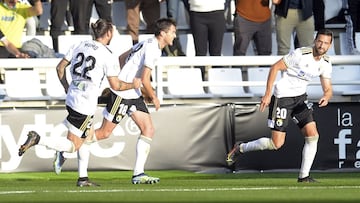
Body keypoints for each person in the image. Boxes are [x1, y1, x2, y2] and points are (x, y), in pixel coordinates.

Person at [18, 19, 141, 187]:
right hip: (85, 105)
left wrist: (67, 87)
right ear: (109, 33)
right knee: (73, 146)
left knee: (84, 133)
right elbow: (116, 85)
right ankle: (39, 139)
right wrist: (133, 84)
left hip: (72, 98)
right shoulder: (107, 54)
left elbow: (60, 68)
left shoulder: (80, 44)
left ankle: (83, 178)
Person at [54, 17, 177, 185]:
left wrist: (125, 76)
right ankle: (67, 149)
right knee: (103, 133)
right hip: (122, 95)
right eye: (172, 32)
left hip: (133, 93)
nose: (174, 36)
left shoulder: (147, 42)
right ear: (163, 33)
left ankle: (138, 174)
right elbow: (145, 79)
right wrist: (153, 96)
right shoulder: (153, 48)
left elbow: (122, 58)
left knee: (148, 129)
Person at [226, 29, 334, 183]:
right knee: (276, 144)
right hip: (283, 97)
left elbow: (328, 88)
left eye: (325, 43)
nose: (321, 45)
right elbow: (275, 67)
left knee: (313, 135)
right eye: (319, 41)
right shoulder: (300, 54)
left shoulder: (326, 63)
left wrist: (326, 96)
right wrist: (268, 94)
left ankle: (304, 176)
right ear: (315, 41)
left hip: (300, 99)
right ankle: (241, 147)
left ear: (329, 46)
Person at [188, 0, 226, 80]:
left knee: (216, 52)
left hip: (217, 12)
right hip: (196, 13)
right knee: (200, 52)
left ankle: (218, 82)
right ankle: (199, 81)